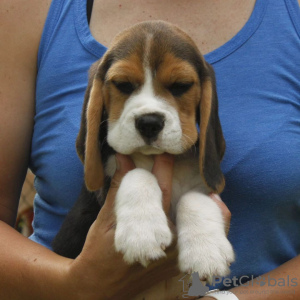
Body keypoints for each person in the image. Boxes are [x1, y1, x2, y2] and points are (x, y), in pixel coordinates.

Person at [0, 0, 299, 299]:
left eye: (179, 85)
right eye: (124, 85)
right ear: (98, 98)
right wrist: (74, 285)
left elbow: (198, 196)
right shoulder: (28, 9)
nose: (149, 111)